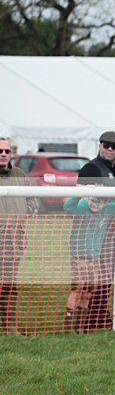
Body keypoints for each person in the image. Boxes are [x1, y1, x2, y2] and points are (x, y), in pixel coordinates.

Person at [76, 131, 115, 328]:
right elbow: (79, 198)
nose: (110, 149)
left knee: (105, 279)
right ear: (100, 146)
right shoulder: (91, 168)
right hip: (92, 231)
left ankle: (98, 317)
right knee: (85, 283)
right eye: (106, 145)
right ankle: (78, 322)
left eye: (114, 146)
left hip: (113, 231)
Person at [63, 193, 115, 334]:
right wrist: (80, 194)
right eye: (93, 200)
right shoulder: (82, 208)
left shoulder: (108, 211)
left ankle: (80, 327)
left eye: (99, 202)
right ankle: (69, 327)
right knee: (77, 289)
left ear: (105, 203)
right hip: (78, 257)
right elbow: (68, 206)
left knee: (89, 291)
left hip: (94, 259)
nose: (95, 204)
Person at [0, 137, 37, 334]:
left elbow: (31, 198)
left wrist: (27, 210)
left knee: (10, 284)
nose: (3, 154)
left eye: (7, 151)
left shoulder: (20, 174)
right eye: (0, 151)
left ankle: (10, 326)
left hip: (14, 240)